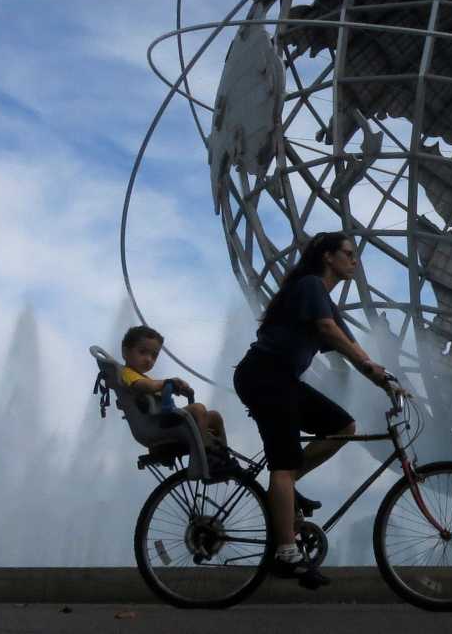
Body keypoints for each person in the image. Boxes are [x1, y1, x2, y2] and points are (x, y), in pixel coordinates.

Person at [232, 231, 396, 589]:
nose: (355, 261)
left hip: (281, 380)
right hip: (264, 376)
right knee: (283, 464)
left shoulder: (324, 300)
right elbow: (329, 332)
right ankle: (287, 553)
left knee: (343, 426)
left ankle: (287, 491)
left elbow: (347, 344)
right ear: (327, 256)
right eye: (349, 253)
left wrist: (383, 380)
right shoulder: (310, 286)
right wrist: (370, 367)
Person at [119, 325, 233, 470]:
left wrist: (176, 387)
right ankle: (204, 457)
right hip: (156, 427)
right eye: (142, 352)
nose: (148, 359)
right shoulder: (127, 374)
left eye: (154, 356)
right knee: (198, 409)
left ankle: (222, 456)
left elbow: (155, 387)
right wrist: (168, 382)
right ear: (125, 352)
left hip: (163, 422)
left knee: (215, 417)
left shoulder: (144, 377)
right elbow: (147, 386)